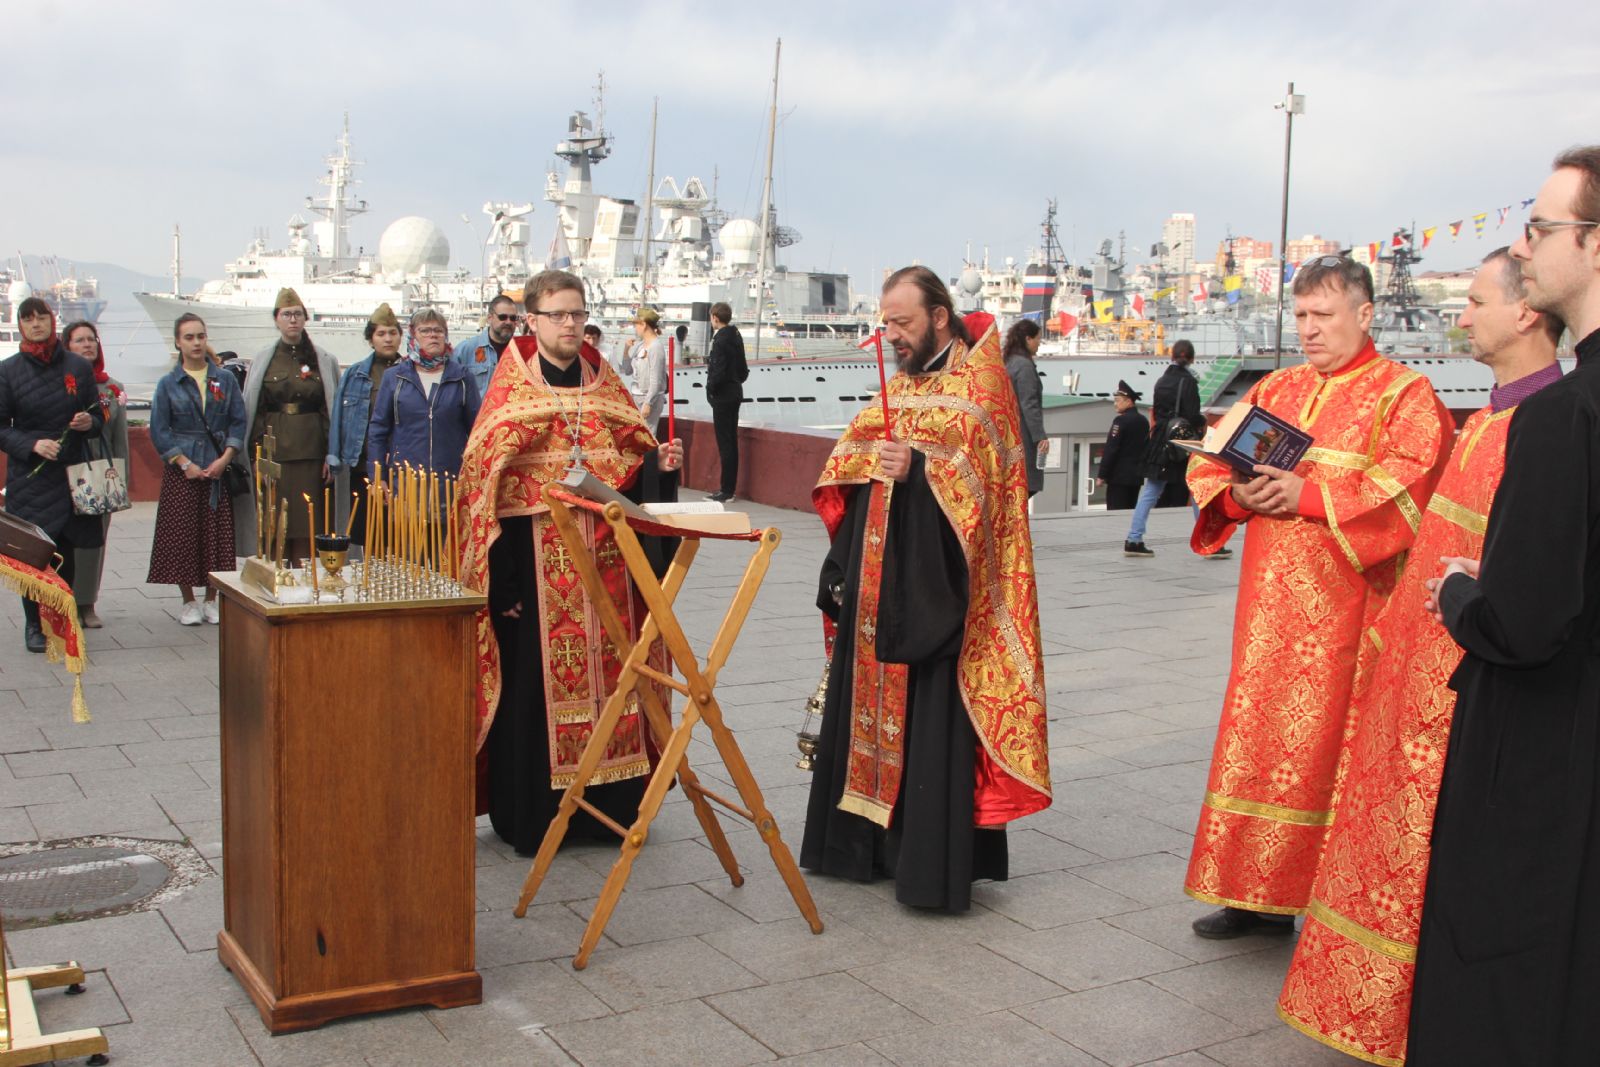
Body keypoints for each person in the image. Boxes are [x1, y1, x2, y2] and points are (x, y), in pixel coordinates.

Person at [1277, 248, 1563, 1065]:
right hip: (1409, 675)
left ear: (1527, 312)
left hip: (1459, 693)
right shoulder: (1495, 419)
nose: (1460, 316)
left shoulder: (1538, 428)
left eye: (1475, 301)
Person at [1182, 256, 1451, 939]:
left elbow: (1410, 492)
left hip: (1347, 615)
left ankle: (1325, 898)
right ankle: (1251, 893)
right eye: (1300, 316)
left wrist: (1308, 495)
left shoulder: (1405, 395)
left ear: (1365, 314)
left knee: (1326, 752)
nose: (1308, 330)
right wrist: (1237, 493)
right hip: (1267, 614)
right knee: (1256, 741)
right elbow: (1209, 458)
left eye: (1323, 316)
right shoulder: (1277, 386)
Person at [1406, 145, 1600, 1066]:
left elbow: (1520, 623)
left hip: (1548, 750)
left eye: (1545, 227)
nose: (1527, 244)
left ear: (1595, 248)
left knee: (1514, 972)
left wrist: (1457, 591)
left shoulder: (1565, 418)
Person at [802, 266, 1051, 912]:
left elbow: (991, 480)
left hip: (939, 590)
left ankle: (924, 860)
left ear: (940, 316)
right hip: (879, 582)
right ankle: (864, 847)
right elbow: (854, 461)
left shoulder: (982, 383)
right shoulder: (904, 383)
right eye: (886, 323)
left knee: (931, 717)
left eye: (903, 323)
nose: (892, 336)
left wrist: (922, 467)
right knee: (868, 703)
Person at [455, 269, 684, 855]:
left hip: (607, 565)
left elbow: (635, 468)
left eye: (578, 314)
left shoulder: (607, 387)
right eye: (558, 314)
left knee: (615, 683)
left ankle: (610, 808)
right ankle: (536, 815)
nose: (570, 325)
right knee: (535, 686)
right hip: (533, 575)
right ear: (531, 321)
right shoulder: (511, 392)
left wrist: (664, 466)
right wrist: (500, 581)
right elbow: (484, 486)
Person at [0, 297, 103, 652]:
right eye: (27, 319)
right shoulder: (8, 370)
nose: (35, 323)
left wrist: (89, 422)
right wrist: (32, 444)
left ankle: (62, 617)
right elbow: (1, 428)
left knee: (68, 552)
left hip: (70, 476)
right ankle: (34, 626)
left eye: (40, 316)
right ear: (21, 325)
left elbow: (97, 417)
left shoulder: (77, 365)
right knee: (32, 554)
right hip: (30, 478)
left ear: (51, 320)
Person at [147, 314, 246, 625]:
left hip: (216, 462)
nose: (196, 343)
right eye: (189, 337)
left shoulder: (224, 379)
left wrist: (225, 458)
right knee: (181, 535)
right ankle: (188, 600)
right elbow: (159, 429)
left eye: (200, 336)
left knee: (217, 536)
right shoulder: (168, 383)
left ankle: (212, 598)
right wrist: (184, 463)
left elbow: (237, 421)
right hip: (183, 468)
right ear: (178, 342)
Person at [241, 288, 340, 563]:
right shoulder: (264, 360)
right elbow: (254, 407)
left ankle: (304, 574)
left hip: (311, 453)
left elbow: (330, 410)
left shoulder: (323, 359)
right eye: (286, 314)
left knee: (307, 522)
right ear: (276, 320)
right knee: (273, 521)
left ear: (305, 318)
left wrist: (331, 455)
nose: (292, 320)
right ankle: (273, 577)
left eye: (297, 314)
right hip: (275, 452)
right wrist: (256, 454)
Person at [63, 320, 127, 629]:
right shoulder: (60, 382)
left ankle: (87, 603)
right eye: (80, 340)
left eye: (92, 339)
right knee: (64, 541)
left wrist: (120, 475)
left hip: (100, 470)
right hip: (65, 469)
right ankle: (61, 601)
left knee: (94, 542)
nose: (88, 344)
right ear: (68, 346)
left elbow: (119, 436)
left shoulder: (112, 387)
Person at [367, 309, 480, 482]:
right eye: (425, 331)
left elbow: (477, 431)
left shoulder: (462, 378)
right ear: (413, 336)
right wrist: (377, 475)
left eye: (438, 331)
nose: (433, 335)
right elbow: (378, 430)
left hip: (450, 479)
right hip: (406, 481)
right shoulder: (394, 377)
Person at [1124, 340, 1212, 557]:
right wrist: (1202, 419)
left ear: (1172, 356)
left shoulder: (1161, 380)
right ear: (1191, 358)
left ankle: (1134, 538)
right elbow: (1191, 415)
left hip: (1161, 441)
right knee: (1196, 488)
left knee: (1151, 490)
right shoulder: (1188, 381)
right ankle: (1208, 540)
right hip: (1182, 442)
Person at [327, 304, 404, 548]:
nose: (388, 339)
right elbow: (339, 414)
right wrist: (334, 455)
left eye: (392, 332)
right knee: (367, 531)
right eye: (381, 334)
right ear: (371, 339)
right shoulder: (355, 374)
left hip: (399, 465)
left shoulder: (410, 371)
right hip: (362, 464)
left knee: (399, 531)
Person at [705, 302, 748, 502]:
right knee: (732, 441)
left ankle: (726, 490)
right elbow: (743, 370)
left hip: (722, 395)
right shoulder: (735, 336)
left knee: (725, 444)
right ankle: (729, 488)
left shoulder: (720, 340)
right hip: (735, 391)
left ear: (715, 317)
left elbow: (718, 371)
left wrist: (711, 390)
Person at [1002, 318, 1047, 497]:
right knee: (1027, 484)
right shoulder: (1024, 366)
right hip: (1023, 435)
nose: (1039, 344)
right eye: (1038, 339)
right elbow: (1029, 404)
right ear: (1028, 339)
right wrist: (1040, 436)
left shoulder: (1008, 362)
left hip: (1008, 432)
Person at [452, 293, 519, 398]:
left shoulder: (521, 352)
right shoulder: (465, 350)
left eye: (513, 318)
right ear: (489, 318)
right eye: (503, 317)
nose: (508, 322)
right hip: (477, 413)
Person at [1097, 380, 1147, 510]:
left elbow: (1111, 449)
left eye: (1118, 400)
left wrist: (1102, 475)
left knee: (1115, 512)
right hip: (1136, 476)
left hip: (1119, 477)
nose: (1115, 404)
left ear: (1129, 401)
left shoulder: (1121, 420)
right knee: (1130, 511)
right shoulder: (1143, 421)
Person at [629, 308, 668, 428]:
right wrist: (626, 349)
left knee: (648, 436)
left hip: (649, 398)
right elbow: (627, 369)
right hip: (637, 395)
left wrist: (648, 402)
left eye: (636, 324)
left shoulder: (655, 347)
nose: (635, 328)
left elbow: (656, 379)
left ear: (644, 324)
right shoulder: (640, 345)